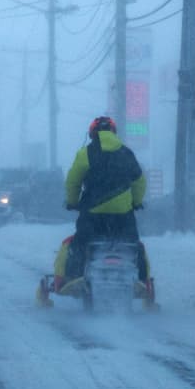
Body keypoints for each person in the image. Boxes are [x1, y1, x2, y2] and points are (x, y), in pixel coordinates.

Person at [60, 116, 149, 293]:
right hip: (123, 217)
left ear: (92, 134)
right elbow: (139, 181)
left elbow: (73, 182)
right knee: (133, 245)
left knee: (79, 244)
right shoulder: (126, 153)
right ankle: (142, 279)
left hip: (93, 217)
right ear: (114, 133)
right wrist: (136, 202)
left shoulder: (85, 154)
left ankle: (75, 276)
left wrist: (72, 202)